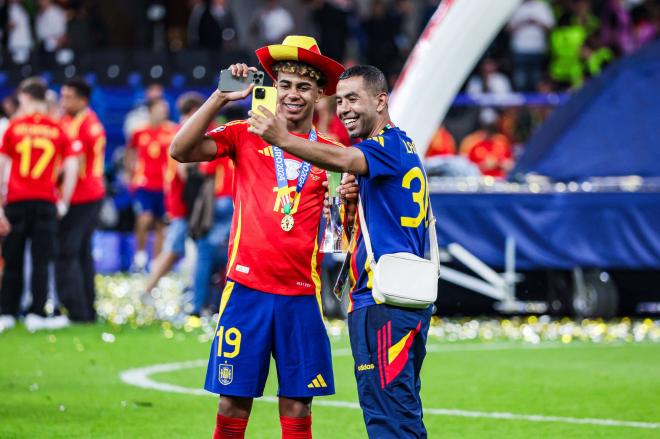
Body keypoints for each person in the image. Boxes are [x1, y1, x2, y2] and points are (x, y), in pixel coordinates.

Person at [170, 35, 346, 439]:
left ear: (320, 93)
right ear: (274, 87)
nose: (293, 95)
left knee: (298, 403)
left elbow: (343, 224)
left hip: (302, 295)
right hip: (246, 291)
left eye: (304, 86)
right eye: (285, 84)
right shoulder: (244, 134)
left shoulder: (331, 155)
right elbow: (180, 150)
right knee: (232, 401)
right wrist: (220, 97)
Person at [248, 65, 433, 438]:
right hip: (401, 300)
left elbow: (346, 159)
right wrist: (353, 199)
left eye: (354, 99)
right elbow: (374, 219)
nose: (345, 109)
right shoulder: (401, 145)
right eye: (340, 100)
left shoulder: (381, 147)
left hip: (382, 303)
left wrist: (281, 138)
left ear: (381, 101)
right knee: (399, 411)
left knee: (387, 417)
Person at [0, 77, 78, 332]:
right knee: (41, 260)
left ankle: (8, 312)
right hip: (45, 200)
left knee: (12, 259)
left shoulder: (15, 126)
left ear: (25, 97)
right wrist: (64, 200)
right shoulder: (56, 129)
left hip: (16, 200)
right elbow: (72, 165)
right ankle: (37, 313)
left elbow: (2, 165)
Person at [56, 77, 106, 322]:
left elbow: (70, 165)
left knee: (68, 251)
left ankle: (76, 311)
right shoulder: (72, 121)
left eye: (68, 97)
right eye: (62, 96)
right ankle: (87, 310)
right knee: (81, 253)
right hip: (87, 194)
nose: (62, 101)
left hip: (83, 196)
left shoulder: (86, 126)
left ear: (82, 100)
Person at [143, 92, 204, 295]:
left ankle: (188, 288)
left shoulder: (177, 133)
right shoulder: (184, 135)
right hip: (183, 202)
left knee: (183, 250)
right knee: (174, 251)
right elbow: (183, 172)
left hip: (182, 201)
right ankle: (148, 290)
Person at [125, 97, 177, 271]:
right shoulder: (139, 132)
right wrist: (129, 174)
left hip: (164, 186)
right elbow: (130, 152)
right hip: (144, 184)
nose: (162, 112)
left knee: (161, 225)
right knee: (144, 219)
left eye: (164, 110)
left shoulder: (172, 131)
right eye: (159, 109)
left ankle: (155, 263)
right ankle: (140, 257)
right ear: (150, 111)